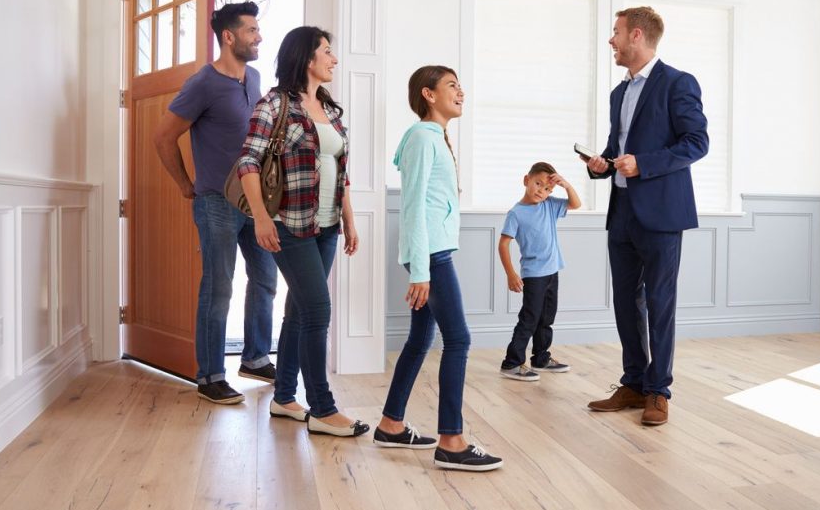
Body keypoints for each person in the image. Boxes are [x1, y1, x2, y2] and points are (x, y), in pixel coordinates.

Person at [235, 26, 367, 437]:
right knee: (317, 310)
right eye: (328, 51)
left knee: (298, 310)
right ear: (308, 58)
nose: (334, 58)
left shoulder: (329, 108)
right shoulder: (275, 104)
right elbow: (248, 163)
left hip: (326, 224)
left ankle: (284, 397)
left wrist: (348, 218)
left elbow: (339, 170)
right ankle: (323, 409)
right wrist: (259, 217)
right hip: (289, 225)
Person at [583, 6, 708, 427]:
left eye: (615, 32)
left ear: (636, 35)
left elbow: (697, 142)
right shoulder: (619, 92)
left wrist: (644, 164)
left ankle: (659, 391)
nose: (611, 41)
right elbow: (618, 145)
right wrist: (600, 163)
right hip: (621, 214)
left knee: (659, 303)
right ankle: (634, 383)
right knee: (624, 303)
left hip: (661, 215)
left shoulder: (678, 83)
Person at [374, 65, 503, 471]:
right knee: (459, 340)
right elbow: (412, 206)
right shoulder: (421, 139)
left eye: (460, 85)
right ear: (429, 95)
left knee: (419, 340)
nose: (460, 91)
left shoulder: (433, 138)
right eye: (451, 85)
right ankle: (451, 439)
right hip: (431, 257)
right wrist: (420, 271)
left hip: (431, 253)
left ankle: (391, 423)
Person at [154, 1, 277, 405]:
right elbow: (162, 137)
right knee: (219, 286)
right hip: (216, 202)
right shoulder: (202, 83)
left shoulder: (255, 77)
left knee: (265, 280)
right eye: (251, 30)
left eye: (258, 30)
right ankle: (209, 375)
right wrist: (184, 184)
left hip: (255, 203)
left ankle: (256, 357)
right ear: (229, 36)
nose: (258, 37)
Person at [498, 162, 581, 381]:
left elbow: (576, 204)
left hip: (553, 270)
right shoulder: (516, 213)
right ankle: (512, 363)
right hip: (533, 274)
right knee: (530, 318)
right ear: (526, 180)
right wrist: (511, 274)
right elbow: (503, 244)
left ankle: (541, 357)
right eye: (538, 184)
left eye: (547, 189)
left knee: (546, 317)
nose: (541, 191)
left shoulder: (550, 205)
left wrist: (566, 185)